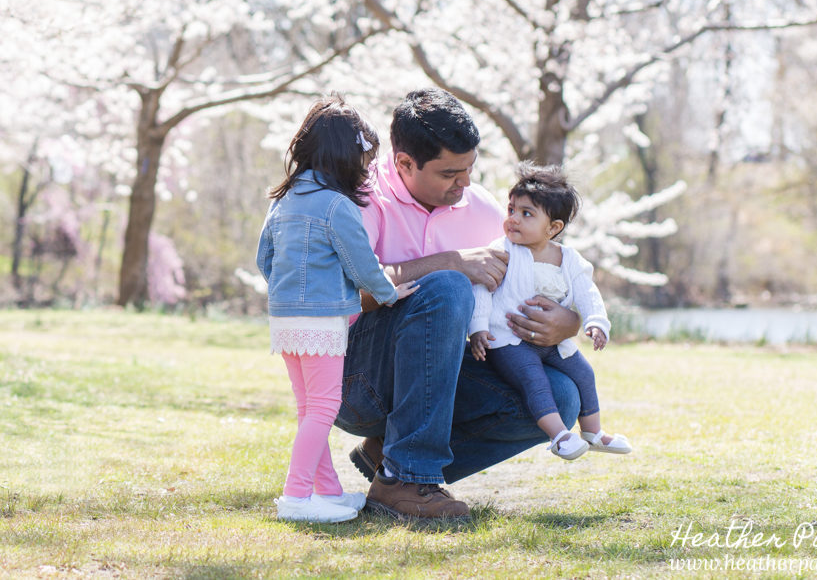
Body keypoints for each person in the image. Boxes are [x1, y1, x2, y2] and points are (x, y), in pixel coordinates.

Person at [334, 87, 586, 520]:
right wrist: (449, 263)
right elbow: (341, 297)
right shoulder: (360, 198)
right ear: (404, 163)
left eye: (470, 168)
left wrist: (568, 321)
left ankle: (390, 456)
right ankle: (408, 477)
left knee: (561, 398)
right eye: (450, 173)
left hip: (443, 376)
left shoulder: (485, 208)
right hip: (355, 380)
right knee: (447, 284)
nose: (465, 183)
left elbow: (543, 277)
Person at [257, 95, 418, 523]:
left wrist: (287, 297)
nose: (366, 169)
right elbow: (362, 263)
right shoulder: (337, 206)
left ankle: (326, 490)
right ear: (348, 157)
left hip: (284, 320)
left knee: (309, 408)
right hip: (324, 321)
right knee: (324, 409)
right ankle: (295, 497)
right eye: (365, 160)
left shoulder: (283, 200)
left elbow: (264, 260)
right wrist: (388, 294)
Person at [468, 162, 631, 461]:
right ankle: (559, 435)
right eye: (511, 210)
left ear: (553, 228)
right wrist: (478, 327)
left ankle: (593, 431)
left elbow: (587, 292)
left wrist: (595, 321)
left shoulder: (569, 259)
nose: (514, 219)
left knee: (584, 372)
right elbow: (481, 288)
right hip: (509, 341)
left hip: (554, 343)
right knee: (534, 380)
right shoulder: (502, 250)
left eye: (526, 213)